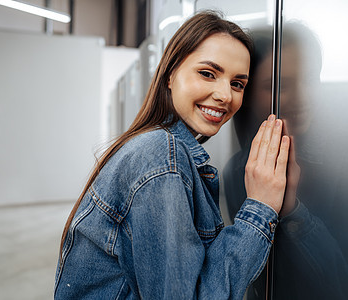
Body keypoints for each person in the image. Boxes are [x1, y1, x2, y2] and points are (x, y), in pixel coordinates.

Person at [54, 11, 291, 299]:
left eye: (237, 83)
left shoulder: (161, 150)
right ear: (170, 75)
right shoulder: (159, 157)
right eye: (207, 73)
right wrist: (260, 206)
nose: (225, 95)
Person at [225, 23, 348, 299]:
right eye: (280, 86)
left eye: (309, 80)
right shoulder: (239, 170)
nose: (302, 98)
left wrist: (293, 212)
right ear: (245, 95)